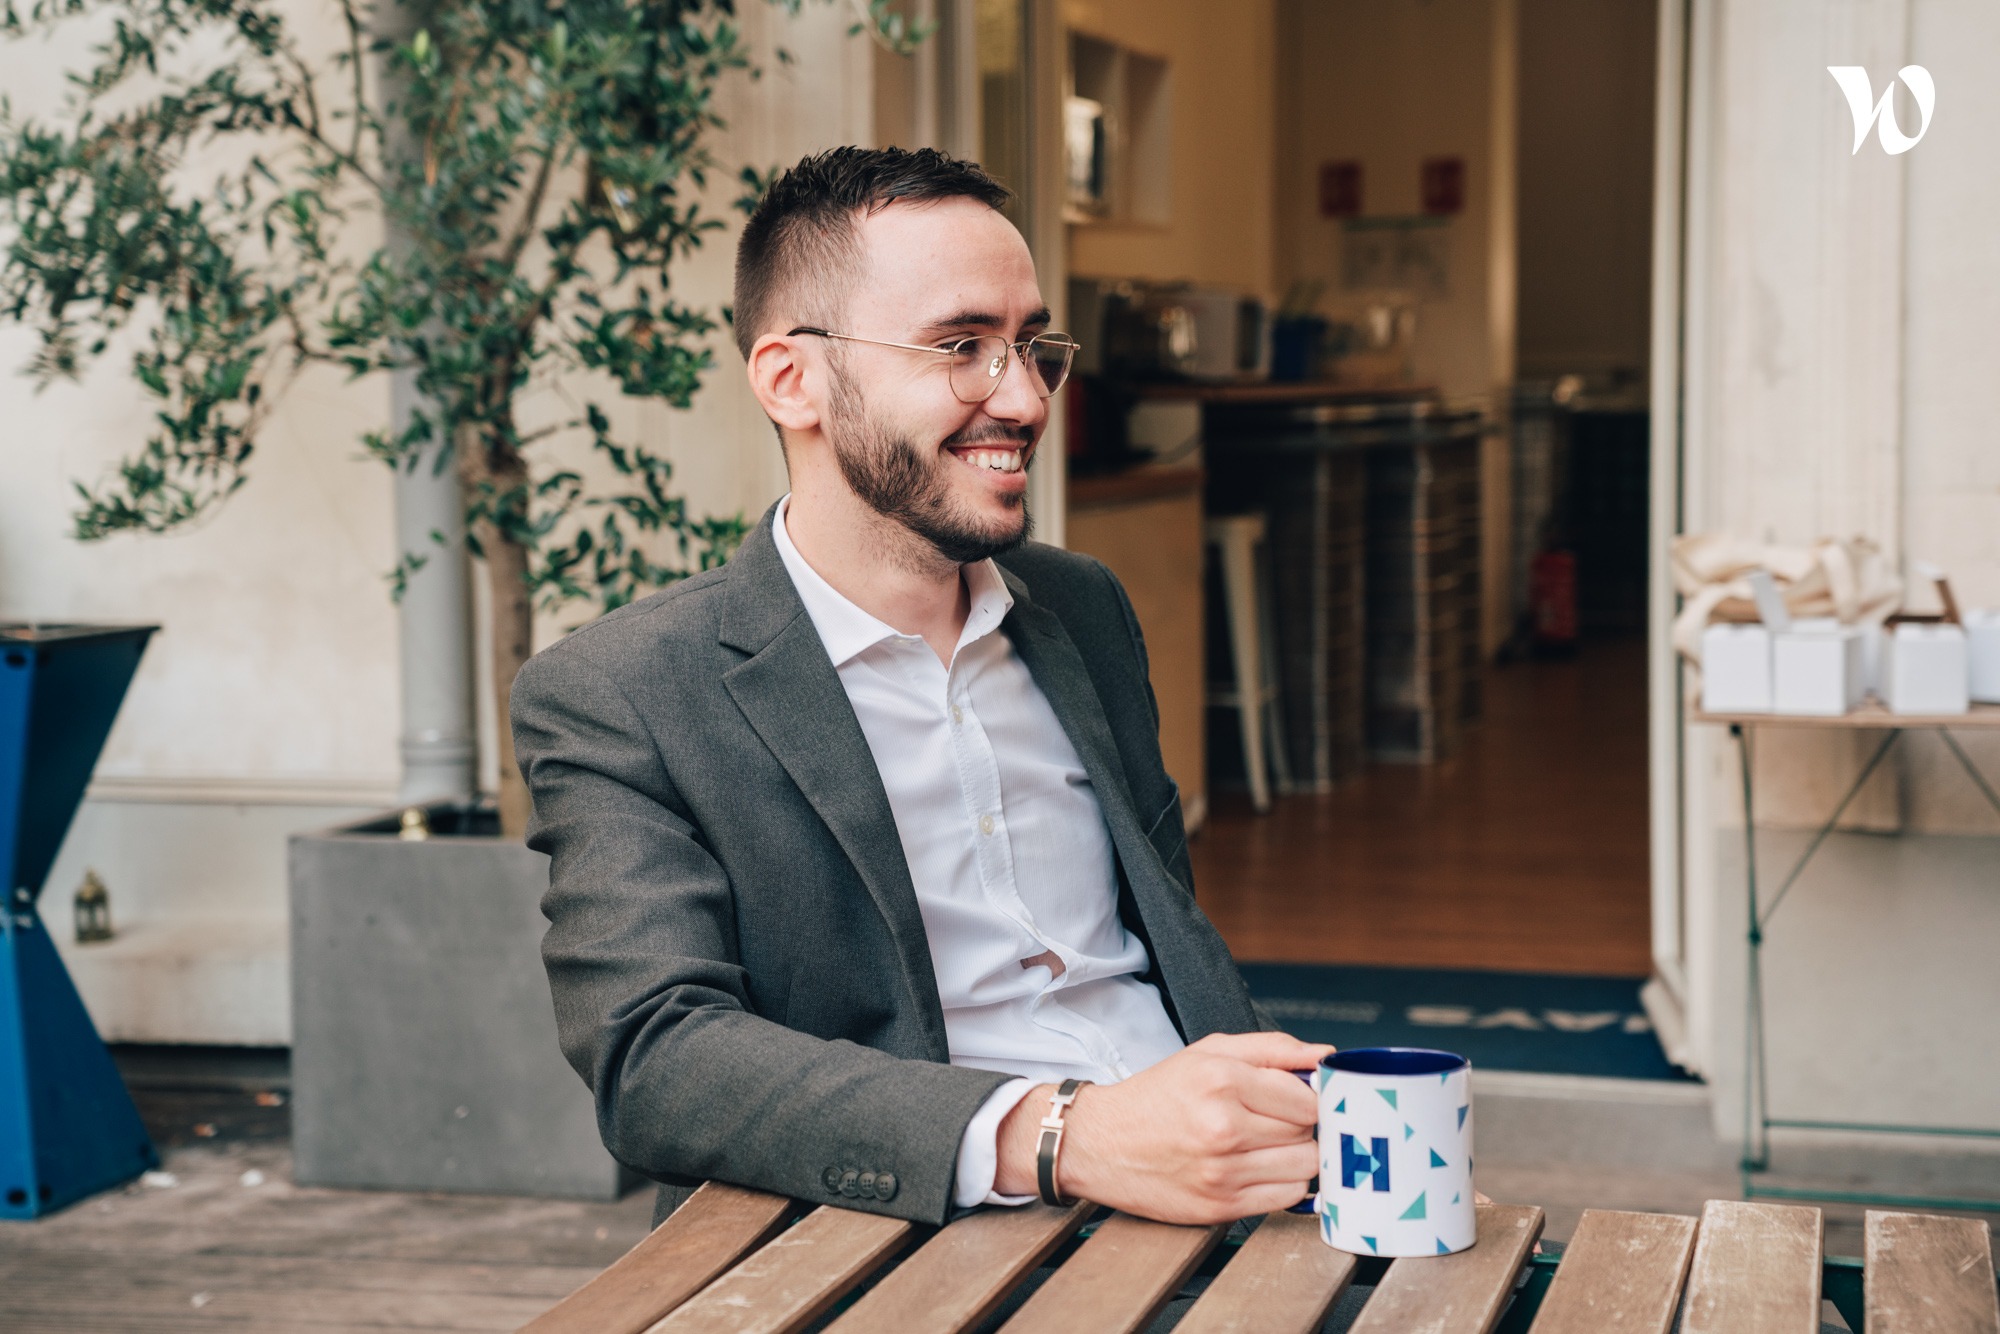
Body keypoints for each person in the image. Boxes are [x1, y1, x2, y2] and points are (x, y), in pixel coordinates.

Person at [510, 147, 1328, 1230]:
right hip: (923, 1226)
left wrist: (1302, 1126)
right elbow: (656, 1058)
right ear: (790, 379)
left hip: (1225, 1189)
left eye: (1031, 347)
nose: (1023, 397)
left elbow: (1166, 940)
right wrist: (1066, 1136)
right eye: (961, 348)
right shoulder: (625, 693)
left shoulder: (1082, 609)